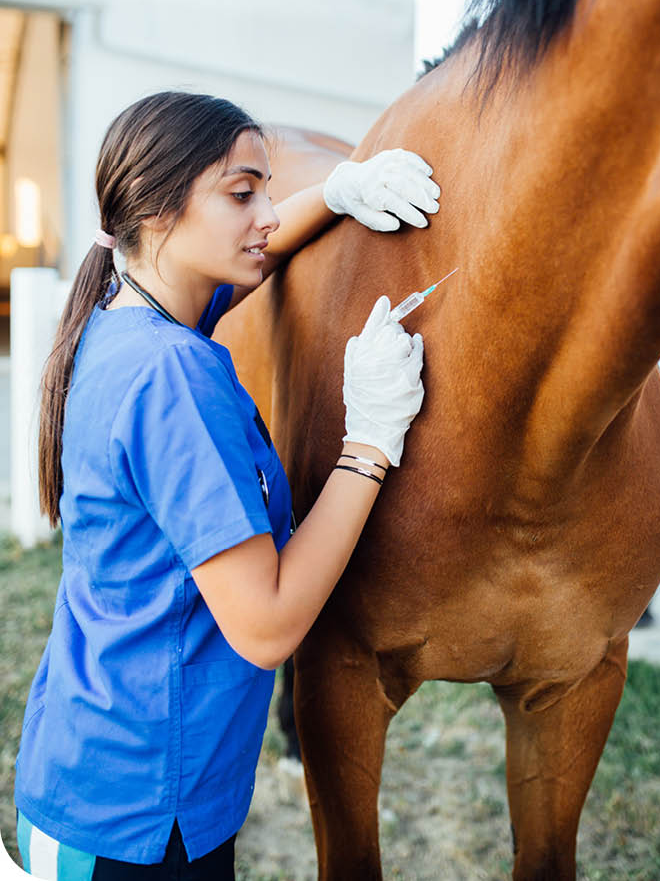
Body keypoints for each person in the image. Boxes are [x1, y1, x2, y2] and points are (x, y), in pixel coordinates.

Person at [14, 91, 441, 880]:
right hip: (138, 824)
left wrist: (339, 190)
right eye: (242, 194)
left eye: (268, 191)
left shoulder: (125, 319)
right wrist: (371, 441)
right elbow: (268, 626)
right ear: (157, 209)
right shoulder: (171, 375)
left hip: (98, 777)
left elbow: (251, 265)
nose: (269, 215)